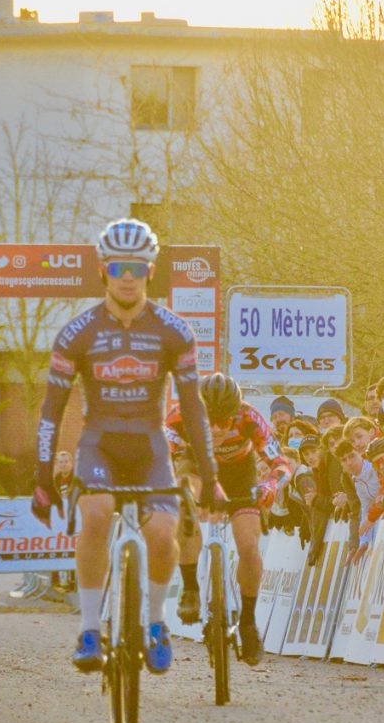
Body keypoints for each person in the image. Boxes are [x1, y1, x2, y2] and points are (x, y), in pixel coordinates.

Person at [30, 217, 221, 676]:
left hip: (151, 446)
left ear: (151, 270)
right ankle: (91, 627)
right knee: (95, 514)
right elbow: (50, 412)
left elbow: (193, 409)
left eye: (137, 267)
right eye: (119, 269)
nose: (129, 277)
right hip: (100, 445)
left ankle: (156, 621)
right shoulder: (78, 333)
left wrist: (211, 477)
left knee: (161, 535)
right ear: (103, 270)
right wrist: (41, 478)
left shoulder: (174, 331)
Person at [167, 373, 288, 665]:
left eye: (225, 420)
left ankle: (247, 622)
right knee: (186, 495)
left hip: (238, 474)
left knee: (248, 545)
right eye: (210, 419)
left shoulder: (249, 418)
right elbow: (160, 455)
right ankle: (191, 589)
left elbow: (281, 462)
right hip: (196, 468)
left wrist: (271, 484)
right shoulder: (180, 416)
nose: (218, 428)